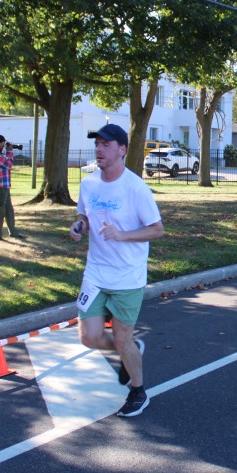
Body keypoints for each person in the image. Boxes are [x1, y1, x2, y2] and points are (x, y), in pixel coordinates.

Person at [70, 124, 164, 417]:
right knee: (89, 337)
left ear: (122, 150)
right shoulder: (89, 183)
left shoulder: (135, 188)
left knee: (122, 337)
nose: (99, 149)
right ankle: (130, 349)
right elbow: (84, 214)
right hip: (95, 273)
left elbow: (157, 229)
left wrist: (122, 235)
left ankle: (138, 391)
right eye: (97, 144)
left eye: (106, 144)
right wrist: (79, 225)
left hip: (127, 276)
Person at [0, 135, 23, 241]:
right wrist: (10, 151)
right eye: (3, 143)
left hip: (5, 186)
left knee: (9, 211)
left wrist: (9, 152)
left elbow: (7, 163)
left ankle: (13, 232)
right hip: (0, 187)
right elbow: (9, 165)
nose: (4, 146)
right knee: (0, 212)